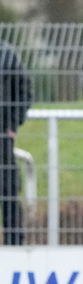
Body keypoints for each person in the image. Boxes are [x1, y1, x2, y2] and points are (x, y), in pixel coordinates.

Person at [0, 41, 32, 246]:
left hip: (1, 135)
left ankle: (14, 245)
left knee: (8, 189)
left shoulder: (6, 55)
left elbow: (24, 92)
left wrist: (12, 123)